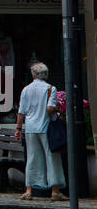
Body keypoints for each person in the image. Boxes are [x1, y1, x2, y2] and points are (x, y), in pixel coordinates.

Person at [15, 61, 64, 200]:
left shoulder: (26, 89)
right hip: (46, 127)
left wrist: (18, 128)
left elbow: (21, 112)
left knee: (32, 158)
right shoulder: (50, 89)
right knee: (52, 157)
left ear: (33, 75)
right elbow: (50, 108)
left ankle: (29, 189)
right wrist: (58, 107)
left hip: (30, 128)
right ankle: (55, 191)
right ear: (46, 74)